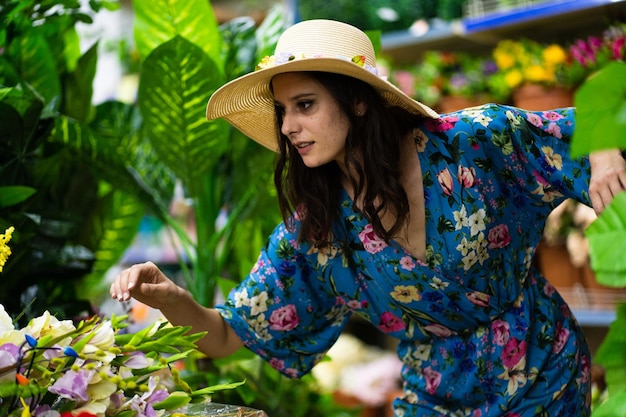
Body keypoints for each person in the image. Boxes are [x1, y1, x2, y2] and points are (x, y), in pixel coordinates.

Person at [110, 19, 626, 416]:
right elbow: (230, 335)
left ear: (356, 101)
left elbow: (593, 125)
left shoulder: (472, 141)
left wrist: (602, 155)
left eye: (305, 105)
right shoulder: (317, 232)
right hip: (434, 398)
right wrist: (173, 300)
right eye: (282, 111)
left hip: (544, 376)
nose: (288, 126)